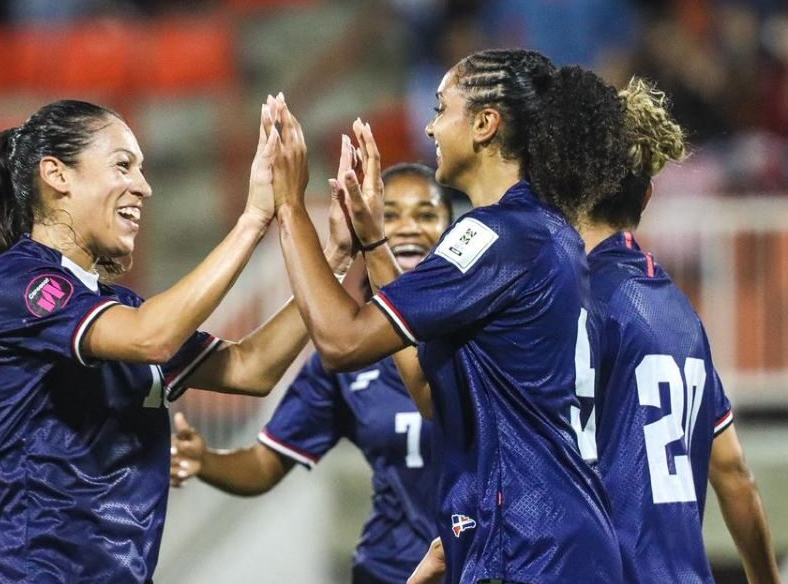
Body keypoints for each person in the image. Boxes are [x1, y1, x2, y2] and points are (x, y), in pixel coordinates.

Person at [0, 97, 339, 582]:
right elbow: (153, 339)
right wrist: (252, 220)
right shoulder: (16, 283)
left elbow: (251, 369)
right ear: (57, 175)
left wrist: (334, 259)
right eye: (123, 165)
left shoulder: (117, 309)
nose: (144, 187)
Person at [268, 49, 634, 583]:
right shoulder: (543, 231)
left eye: (442, 108)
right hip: (548, 538)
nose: (430, 126)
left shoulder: (493, 235)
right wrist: (374, 242)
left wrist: (288, 207)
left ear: (485, 124)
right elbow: (427, 392)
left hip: (527, 548)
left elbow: (342, 342)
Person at [409, 70, 781, 584]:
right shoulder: (680, 315)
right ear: (645, 198)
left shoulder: (573, 305)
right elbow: (735, 474)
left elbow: (437, 399)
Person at [169, 163, 453, 584]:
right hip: (390, 570)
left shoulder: (483, 336)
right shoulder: (346, 356)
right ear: (366, 229)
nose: (408, 227)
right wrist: (204, 460)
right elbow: (266, 463)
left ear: (453, 230)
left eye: (426, 214)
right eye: (389, 214)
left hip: (482, 565)